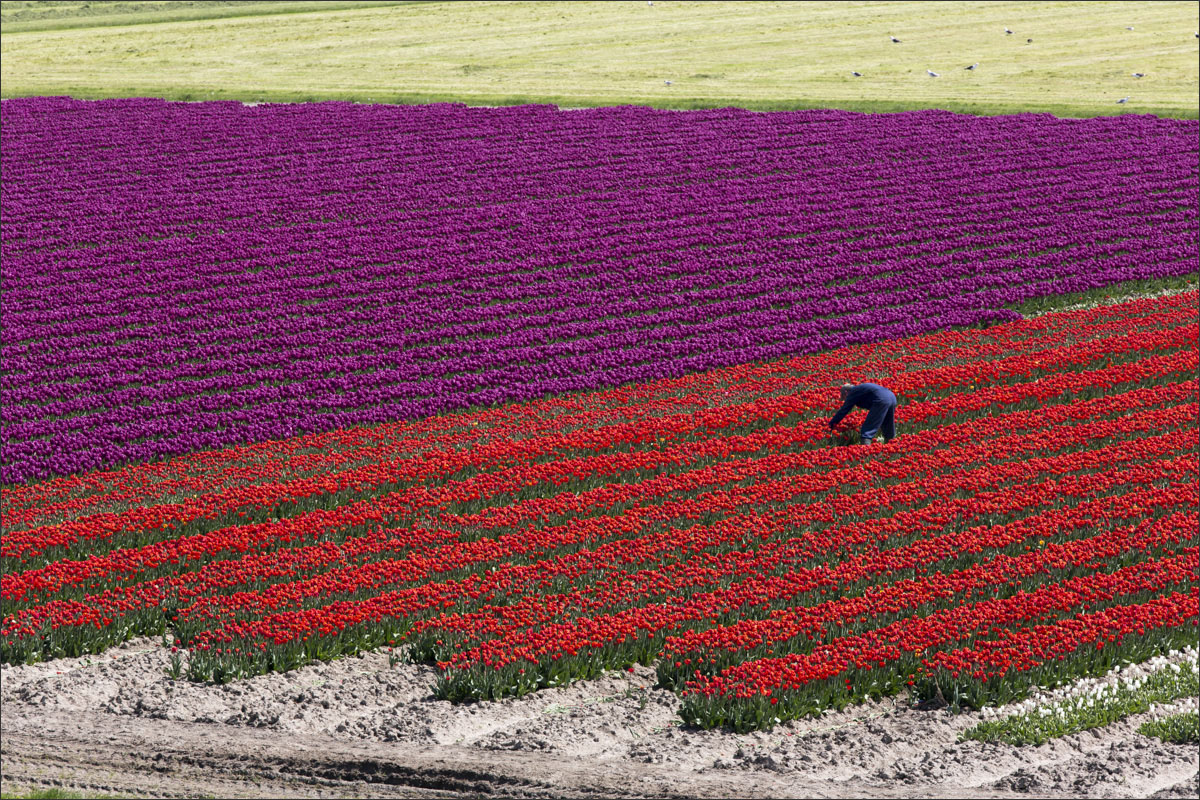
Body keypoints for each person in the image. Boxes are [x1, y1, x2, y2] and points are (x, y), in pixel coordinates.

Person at [829, 382, 897, 445]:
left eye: (844, 397)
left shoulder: (853, 392)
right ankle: (891, 448)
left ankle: (864, 451)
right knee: (888, 427)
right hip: (892, 397)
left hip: (881, 400)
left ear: (846, 392)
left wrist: (830, 425)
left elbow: (843, 411)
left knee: (867, 430)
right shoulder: (859, 389)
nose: (845, 399)